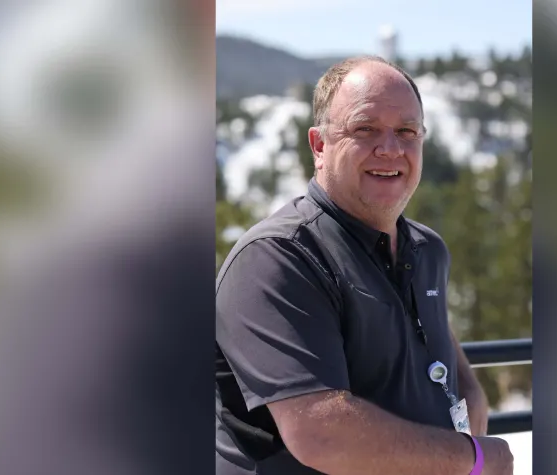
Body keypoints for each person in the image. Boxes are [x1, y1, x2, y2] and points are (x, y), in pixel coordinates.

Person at [215, 56, 515, 475]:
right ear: (319, 146)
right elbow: (322, 431)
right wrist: (473, 457)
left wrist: (469, 392)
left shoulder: (427, 250)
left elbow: (430, 339)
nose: (390, 148)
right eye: (364, 129)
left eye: (407, 131)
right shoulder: (277, 258)